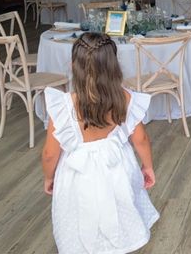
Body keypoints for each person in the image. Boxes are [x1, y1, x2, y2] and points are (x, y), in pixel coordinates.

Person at [41, 32, 159, 254]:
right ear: (114, 66)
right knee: (121, 212)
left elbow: (49, 153)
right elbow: (141, 139)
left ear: (73, 66)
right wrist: (148, 166)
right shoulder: (124, 99)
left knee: (78, 221)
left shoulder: (64, 106)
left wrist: (49, 176)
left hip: (76, 177)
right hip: (117, 171)